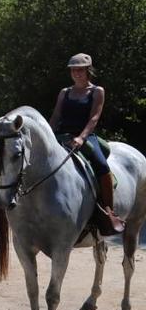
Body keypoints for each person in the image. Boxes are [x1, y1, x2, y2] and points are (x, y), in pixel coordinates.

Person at [49, 53, 124, 235]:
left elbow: (94, 118)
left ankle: (108, 212)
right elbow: (56, 116)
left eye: (80, 70)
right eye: (73, 70)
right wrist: (49, 135)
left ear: (88, 70)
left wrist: (82, 137)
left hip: (85, 136)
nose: (76, 73)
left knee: (101, 165)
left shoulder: (97, 91)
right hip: (62, 136)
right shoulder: (64, 93)